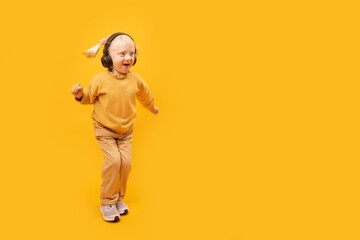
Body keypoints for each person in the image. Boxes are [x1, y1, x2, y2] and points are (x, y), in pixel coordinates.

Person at [71, 32, 159, 222]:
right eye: (122, 54)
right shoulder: (99, 80)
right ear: (108, 58)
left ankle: (118, 198)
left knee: (125, 164)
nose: (128, 57)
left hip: (126, 132)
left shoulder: (135, 79)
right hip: (105, 130)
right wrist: (79, 95)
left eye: (132, 53)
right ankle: (107, 202)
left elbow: (145, 95)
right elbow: (88, 99)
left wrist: (152, 107)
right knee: (113, 162)